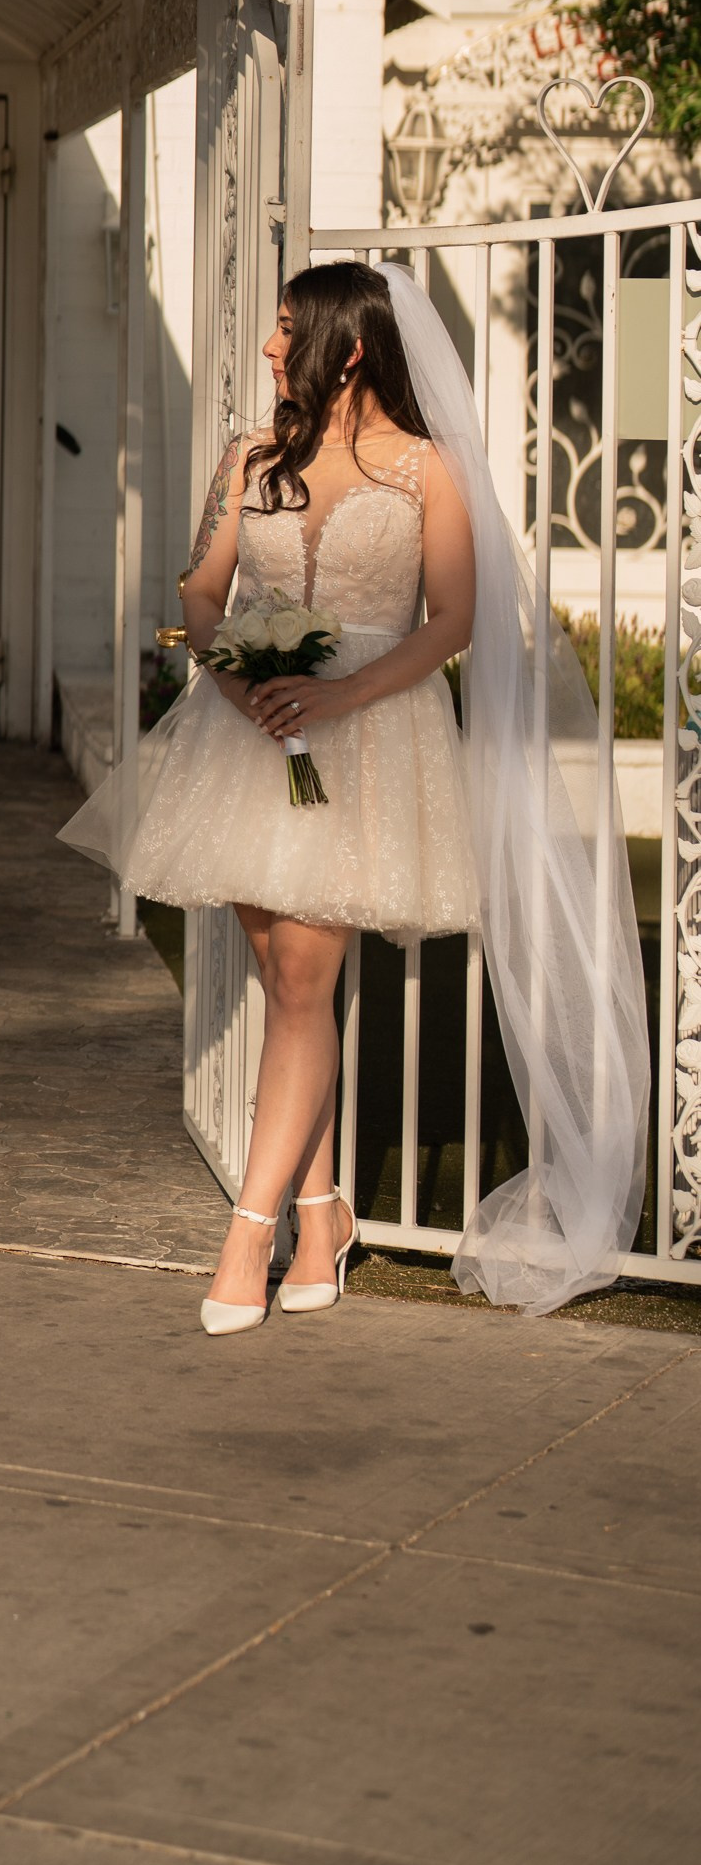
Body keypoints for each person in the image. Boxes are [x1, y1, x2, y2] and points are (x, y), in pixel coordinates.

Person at [64, 259, 649, 1329]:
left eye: (288, 329)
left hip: (373, 738)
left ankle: (250, 1234)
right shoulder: (249, 456)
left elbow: (453, 620)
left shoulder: (427, 469)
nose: (269, 347)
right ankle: (324, 1214)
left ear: (349, 347)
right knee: (293, 988)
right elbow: (201, 592)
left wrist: (338, 702)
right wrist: (237, 678)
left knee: (300, 981)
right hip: (246, 736)